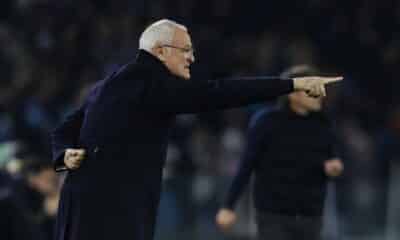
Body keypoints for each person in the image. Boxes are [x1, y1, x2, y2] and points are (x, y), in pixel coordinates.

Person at [51, 20, 341, 240]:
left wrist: (64, 154)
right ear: (161, 52)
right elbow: (218, 93)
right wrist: (291, 84)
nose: (192, 58)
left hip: (81, 209)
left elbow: (66, 127)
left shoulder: (111, 83)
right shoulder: (152, 83)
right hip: (112, 215)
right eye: (186, 50)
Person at [216, 65, 344, 240]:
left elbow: (331, 159)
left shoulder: (324, 123)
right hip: (273, 215)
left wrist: (333, 168)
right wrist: (228, 206)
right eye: (311, 88)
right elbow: (247, 165)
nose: (319, 94)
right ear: (293, 93)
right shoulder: (267, 122)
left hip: (311, 215)